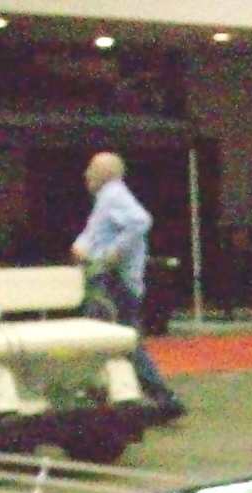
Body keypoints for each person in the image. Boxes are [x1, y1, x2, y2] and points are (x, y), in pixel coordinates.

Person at [71, 151, 184, 421]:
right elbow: (97, 233)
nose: (86, 174)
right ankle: (149, 396)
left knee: (116, 340)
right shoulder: (108, 198)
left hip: (113, 283)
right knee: (118, 341)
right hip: (113, 281)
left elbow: (140, 221)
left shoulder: (113, 195)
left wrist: (112, 253)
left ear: (105, 173)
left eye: (91, 168)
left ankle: (160, 397)